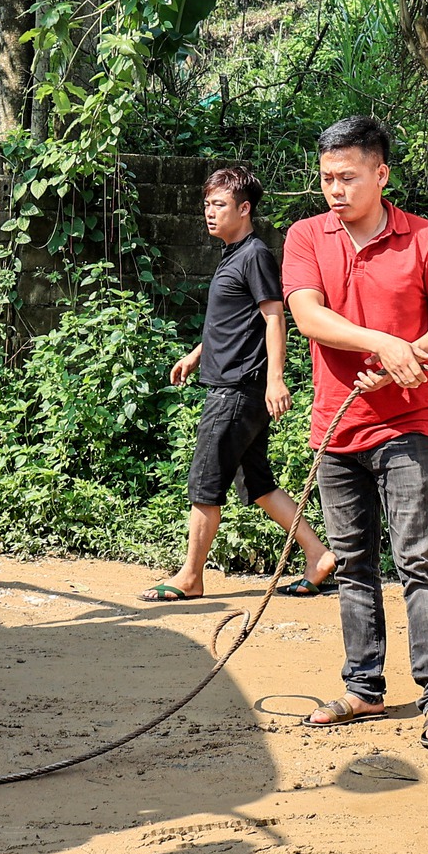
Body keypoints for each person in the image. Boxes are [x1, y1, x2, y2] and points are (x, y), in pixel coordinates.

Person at [281, 117, 428, 750]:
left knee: (418, 558)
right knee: (353, 564)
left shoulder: (423, 238)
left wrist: (415, 354)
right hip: (336, 429)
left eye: (348, 177)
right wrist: (387, 345)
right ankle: (364, 688)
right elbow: (308, 316)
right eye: (326, 179)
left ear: (381, 175)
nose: (335, 190)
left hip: (406, 424)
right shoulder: (306, 236)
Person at [143, 166, 339, 604]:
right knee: (258, 484)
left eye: (220, 205)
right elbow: (233, 322)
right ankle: (318, 554)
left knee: (205, 481)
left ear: (244, 208)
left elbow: (274, 317)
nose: (209, 213)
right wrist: (197, 354)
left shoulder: (253, 255)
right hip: (236, 385)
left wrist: (275, 379)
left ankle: (190, 576)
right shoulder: (233, 254)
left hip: (237, 390)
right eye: (207, 205)